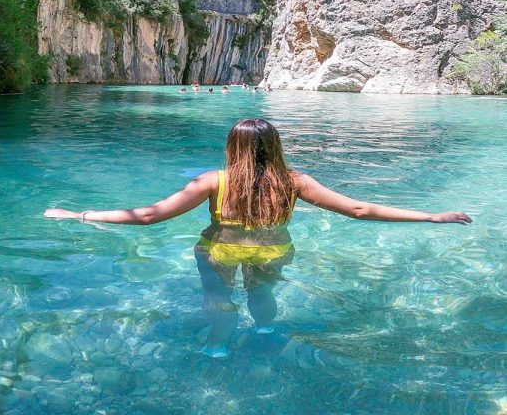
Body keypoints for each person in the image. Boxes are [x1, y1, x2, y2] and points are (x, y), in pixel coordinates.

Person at [44, 119, 472, 358]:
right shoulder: (295, 181)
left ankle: (217, 347)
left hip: (218, 251)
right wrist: (430, 216)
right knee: (261, 294)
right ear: (276, 146)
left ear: (233, 146)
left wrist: (79, 214)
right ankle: (266, 333)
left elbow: (151, 216)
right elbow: (359, 209)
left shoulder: (212, 181)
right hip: (273, 249)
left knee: (218, 299)